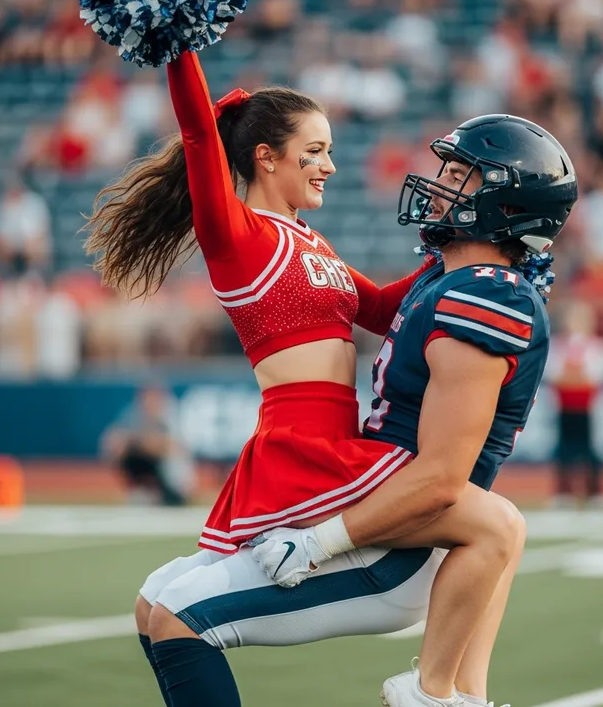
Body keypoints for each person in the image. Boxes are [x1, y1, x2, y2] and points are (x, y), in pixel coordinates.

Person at [84, 39, 524, 706]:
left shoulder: (311, 242)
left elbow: (384, 309)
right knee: (168, 608)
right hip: (302, 449)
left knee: (156, 604)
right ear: (266, 157)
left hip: (338, 444)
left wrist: (472, 243)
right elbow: (200, 135)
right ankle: (440, 692)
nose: (330, 166)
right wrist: (178, 45)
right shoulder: (237, 235)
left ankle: (451, 689)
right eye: (314, 152)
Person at [143, 115, 577, 707]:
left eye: (459, 176)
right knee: (154, 601)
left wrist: (317, 542)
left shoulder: (486, 292)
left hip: (398, 536)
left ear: (505, 203)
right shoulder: (451, 280)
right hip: (385, 501)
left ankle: (434, 694)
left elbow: (444, 480)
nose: (439, 185)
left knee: (178, 616)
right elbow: (367, 301)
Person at [545, 300, 603, 508]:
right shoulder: (557, 345)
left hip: (589, 408)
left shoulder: (598, 346)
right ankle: (563, 492)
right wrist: (575, 377)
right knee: (563, 450)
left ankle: (595, 493)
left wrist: (572, 377)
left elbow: (595, 377)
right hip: (563, 406)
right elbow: (553, 374)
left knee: (591, 450)